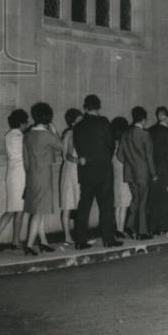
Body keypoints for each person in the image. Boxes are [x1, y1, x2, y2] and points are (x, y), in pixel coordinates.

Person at [72, 94, 119, 249]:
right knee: (106, 206)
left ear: (85, 107)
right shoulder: (104, 122)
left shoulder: (78, 126)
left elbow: (78, 147)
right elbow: (111, 144)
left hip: (86, 170)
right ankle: (108, 239)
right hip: (104, 169)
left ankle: (80, 241)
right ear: (98, 107)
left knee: (84, 206)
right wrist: (105, 158)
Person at [23, 102, 63, 255]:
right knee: (39, 212)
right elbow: (61, 147)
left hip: (32, 175)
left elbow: (26, 160)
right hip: (44, 175)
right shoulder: (47, 135)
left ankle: (43, 242)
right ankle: (29, 245)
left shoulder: (28, 135)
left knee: (40, 210)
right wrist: (54, 131)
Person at [0, 108, 30, 251]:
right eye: (26, 122)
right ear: (22, 123)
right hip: (21, 175)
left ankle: (8, 240)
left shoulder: (8, 135)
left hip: (11, 174)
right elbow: (25, 159)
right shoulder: (22, 138)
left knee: (13, 208)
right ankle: (2, 239)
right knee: (18, 209)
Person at [117, 106, 156, 239]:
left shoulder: (125, 134)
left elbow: (119, 155)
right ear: (143, 119)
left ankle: (130, 225)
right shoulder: (145, 134)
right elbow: (149, 157)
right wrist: (153, 173)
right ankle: (142, 232)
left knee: (135, 199)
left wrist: (130, 163)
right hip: (143, 172)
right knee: (143, 201)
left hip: (129, 173)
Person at [148, 106, 168, 236]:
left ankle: (153, 226)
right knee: (165, 198)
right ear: (167, 117)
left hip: (152, 168)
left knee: (153, 198)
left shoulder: (150, 131)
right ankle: (163, 226)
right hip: (165, 169)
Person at [59, 108, 82, 246]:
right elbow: (68, 155)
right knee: (70, 204)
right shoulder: (72, 134)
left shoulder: (69, 133)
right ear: (73, 122)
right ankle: (69, 236)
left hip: (70, 170)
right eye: (80, 120)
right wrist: (79, 161)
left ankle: (70, 236)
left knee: (70, 204)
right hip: (72, 170)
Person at [111, 116, 132, 238]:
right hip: (124, 172)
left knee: (118, 203)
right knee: (124, 203)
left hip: (115, 173)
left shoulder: (112, 143)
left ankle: (117, 228)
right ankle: (120, 228)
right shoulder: (125, 143)